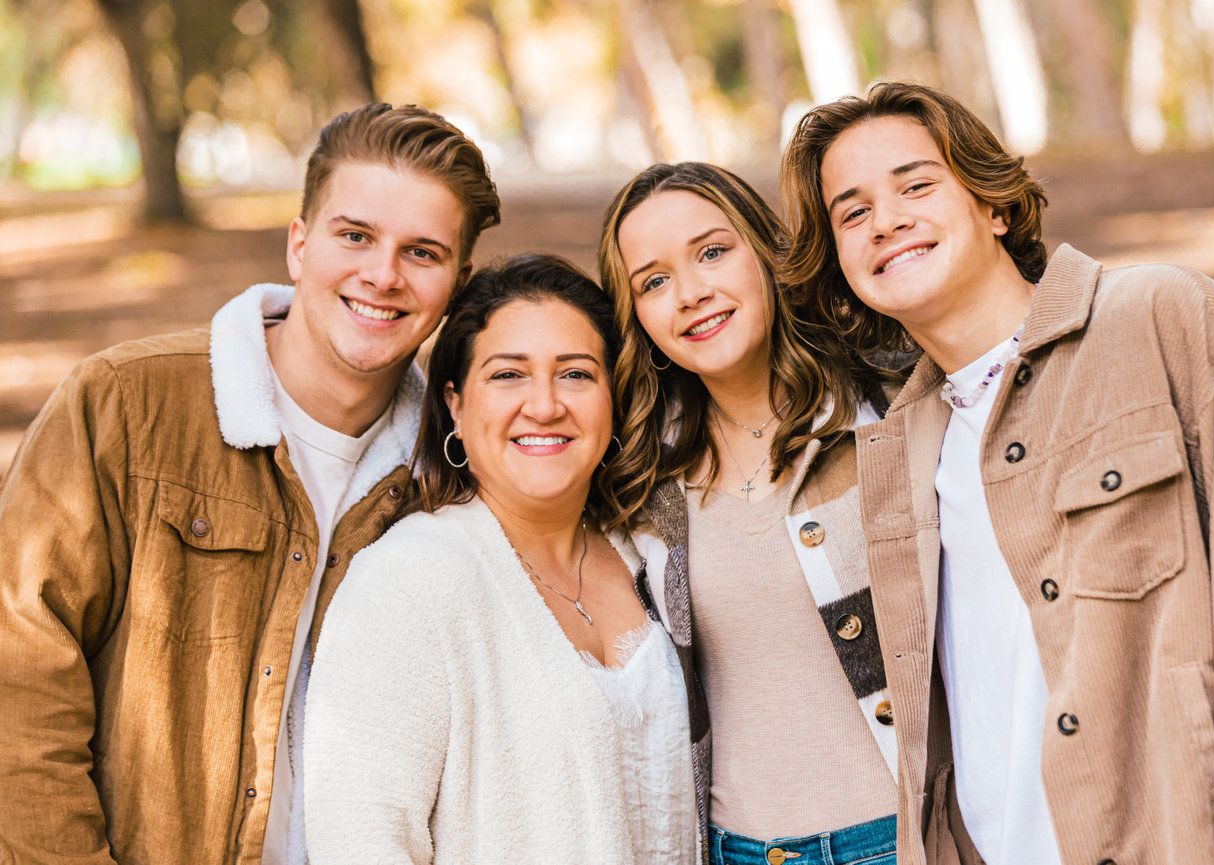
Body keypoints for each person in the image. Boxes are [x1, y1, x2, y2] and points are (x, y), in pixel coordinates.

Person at [781, 80, 1214, 865]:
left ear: (992, 205)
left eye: (915, 186)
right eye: (851, 213)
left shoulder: (1161, 317)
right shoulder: (898, 448)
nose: (884, 221)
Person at [0, 102, 500, 865]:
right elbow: (20, 679)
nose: (382, 274)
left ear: (457, 283)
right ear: (299, 244)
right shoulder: (122, 405)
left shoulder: (453, 476)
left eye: (421, 252)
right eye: (355, 235)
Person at [303, 253, 696, 864]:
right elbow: (359, 841)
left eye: (576, 374)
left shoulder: (654, 553)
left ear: (613, 400)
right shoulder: (404, 583)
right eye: (508, 375)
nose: (544, 406)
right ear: (456, 406)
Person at [598, 162, 899, 865]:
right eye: (653, 282)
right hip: (740, 851)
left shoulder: (888, 411)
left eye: (711, 252)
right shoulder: (638, 484)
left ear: (765, 252)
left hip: (907, 836)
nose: (691, 294)